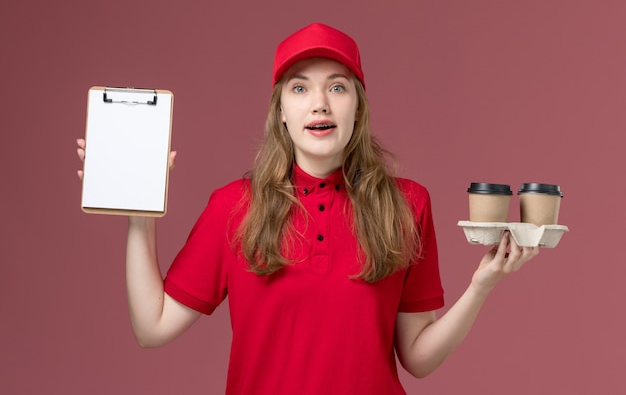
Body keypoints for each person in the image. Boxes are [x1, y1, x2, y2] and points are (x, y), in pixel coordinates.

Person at [76, 23, 539, 395]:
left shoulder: (407, 204)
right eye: (300, 89)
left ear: (358, 105)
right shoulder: (234, 206)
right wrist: (141, 210)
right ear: (280, 110)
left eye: (337, 87)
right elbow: (151, 327)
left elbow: (417, 357)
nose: (319, 103)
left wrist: (481, 286)